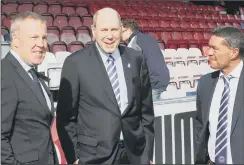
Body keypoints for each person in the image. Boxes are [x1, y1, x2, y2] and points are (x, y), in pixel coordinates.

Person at [56, 8, 154, 164]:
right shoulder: (75, 63)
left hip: (135, 154)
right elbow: (66, 119)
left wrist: (147, 154)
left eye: (114, 29)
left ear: (122, 30)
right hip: (93, 157)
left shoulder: (136, 59)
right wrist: (74, 157)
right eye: (104, 30)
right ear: (93, 31)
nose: (109, 36)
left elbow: (146, 111)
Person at [1, 11, 58, 164]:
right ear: (15, 40)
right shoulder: (5, 74)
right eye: (34, 37)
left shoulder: (32, 74)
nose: (41, 44)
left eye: (44, 37)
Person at [195, 26, 244, 164]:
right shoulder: (205, 83)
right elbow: (200, 125)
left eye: (215, 49)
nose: (208, 53)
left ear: (234, 52)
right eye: (209, 47)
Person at [121, 19, 170, 101]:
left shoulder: (133, 43)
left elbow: (132, 68)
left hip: (152, 82)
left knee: (149, 111)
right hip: (163, 79)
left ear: (128, 30)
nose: (119, 35)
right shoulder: (150, 37)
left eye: (122, 31)